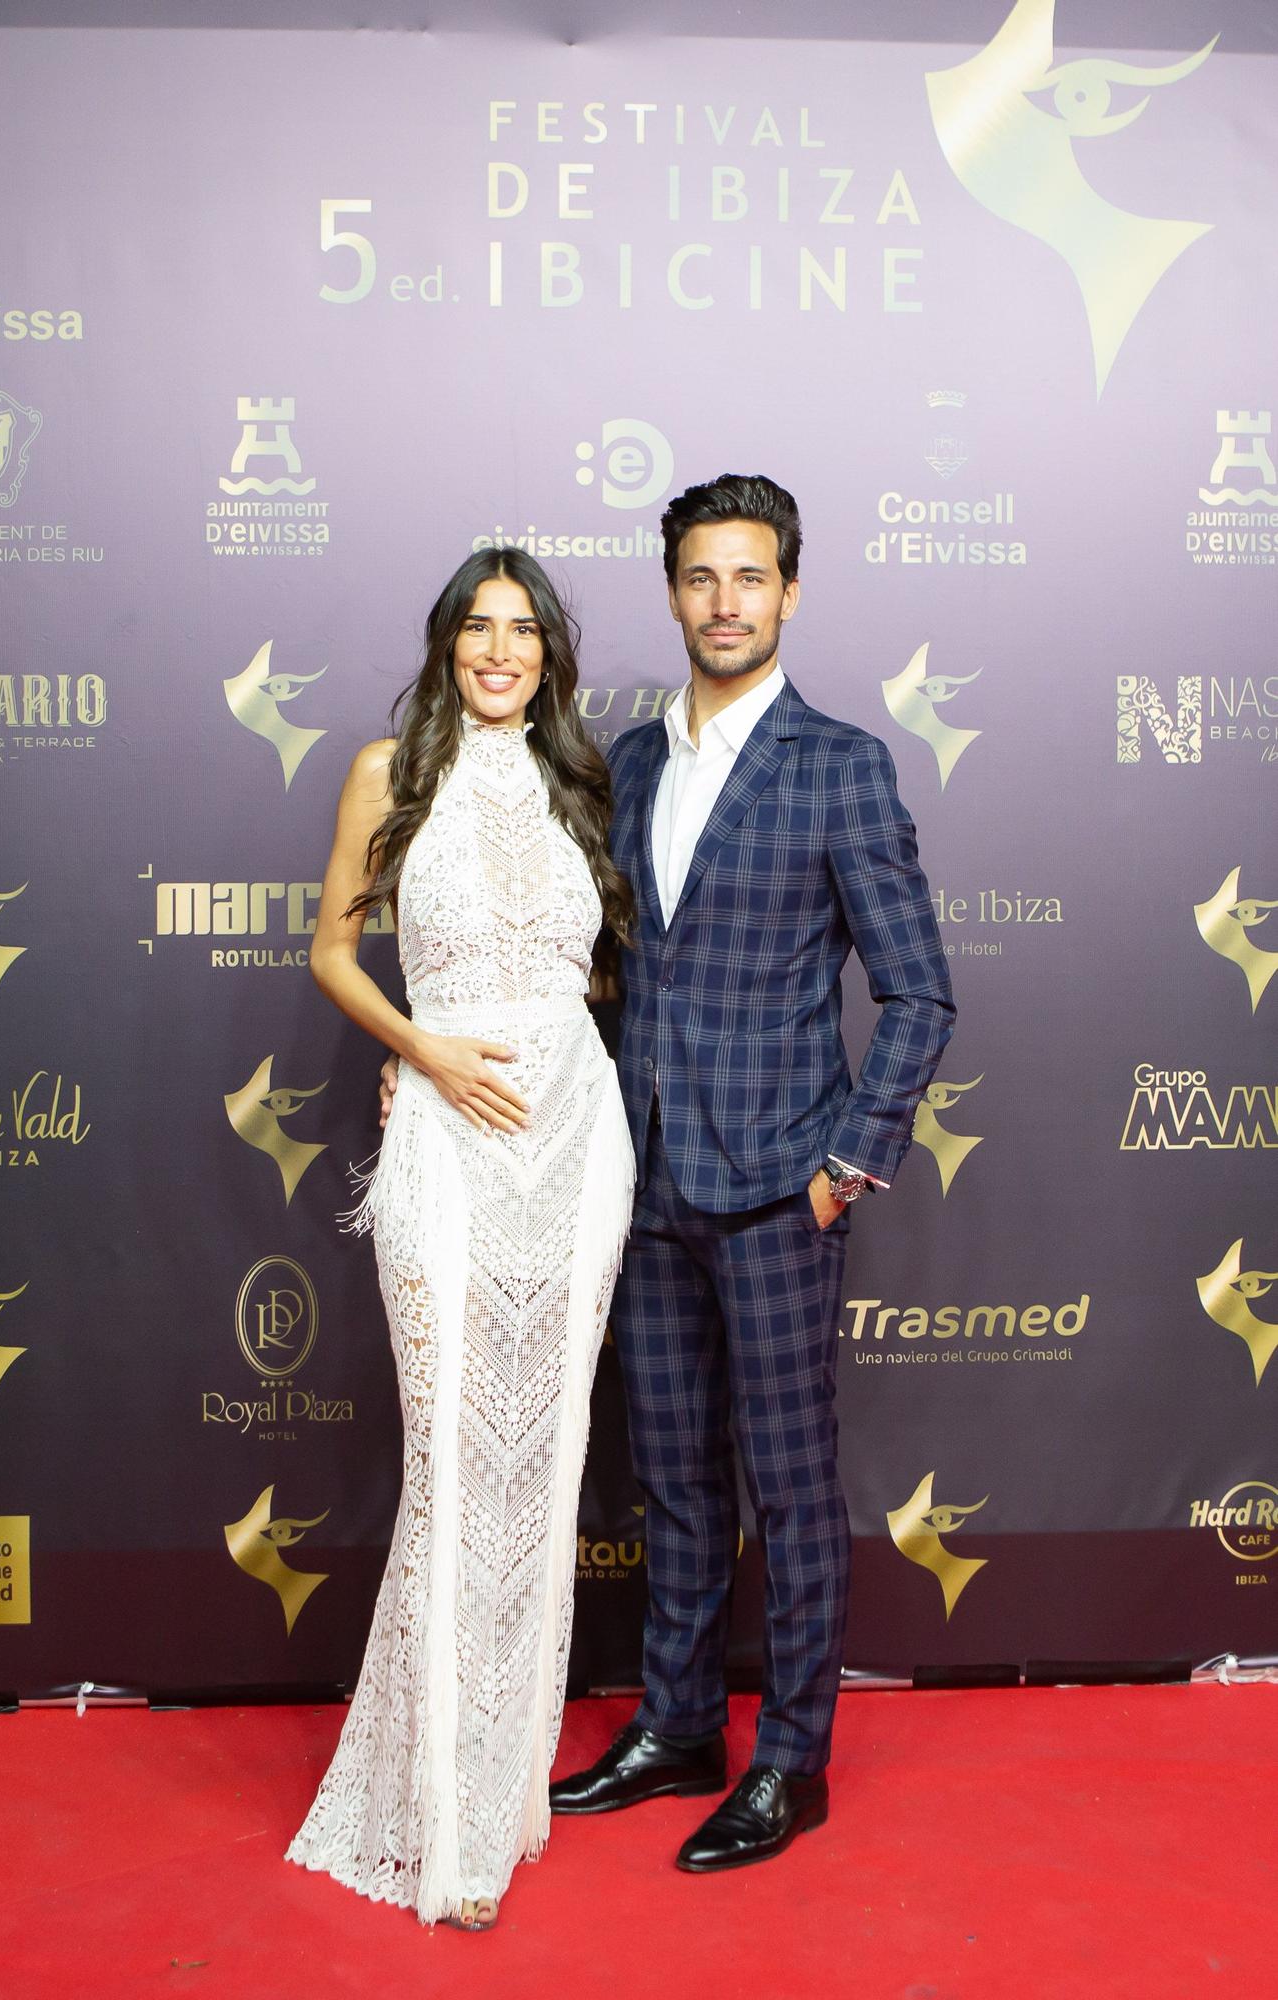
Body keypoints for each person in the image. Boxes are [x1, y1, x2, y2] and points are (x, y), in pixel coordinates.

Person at [545, 474, 955, 1871]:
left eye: (749, 577)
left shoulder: (841, 763)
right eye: (700, 578)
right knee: (669, 1477)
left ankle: (789, 1758)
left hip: (782, 1180)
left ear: (788, 592)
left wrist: (850, 1157)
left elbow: (919, 994)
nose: (723, 602)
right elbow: (606, 975)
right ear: (672, 591)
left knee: (786, 1485)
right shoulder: (629, 762)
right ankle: (674, 1727)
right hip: (644, 1181)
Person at [288, 547, 635, 1931]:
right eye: (477, 628)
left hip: (573, 1142)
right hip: (445, 1135)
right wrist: (419, 1048)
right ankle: (432, 1816)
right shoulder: (387, 771)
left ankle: (499, 1793)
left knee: (539, 1465)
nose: (500, 651)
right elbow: (330, 950)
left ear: (551, 651)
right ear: (445, 643)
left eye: (523, 630)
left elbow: (596, 965)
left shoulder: (581, 778)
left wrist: (552, 1048)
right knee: (448, 1461)